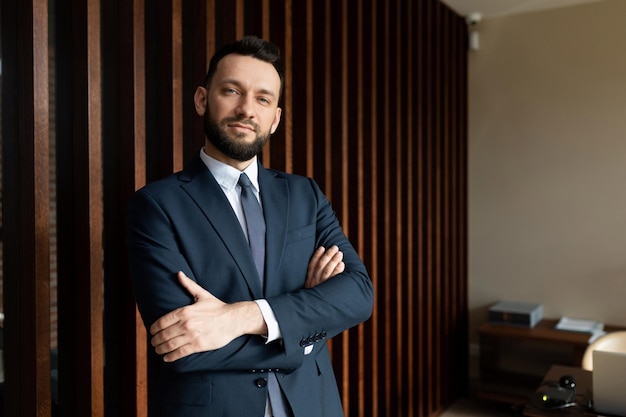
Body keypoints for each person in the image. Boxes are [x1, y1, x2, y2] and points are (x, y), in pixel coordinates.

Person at [126, 35, 374, 417]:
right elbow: (182, 346)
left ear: (274, 119)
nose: (247, 109)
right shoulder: (156, 205)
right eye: (231, 91)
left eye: (263, 98)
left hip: (311, 403)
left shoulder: (304, 194)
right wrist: (305, 333)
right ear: (202, 99)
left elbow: (358, 294)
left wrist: (238, 317)